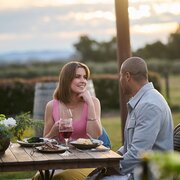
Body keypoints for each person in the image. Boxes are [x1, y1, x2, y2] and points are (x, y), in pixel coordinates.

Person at [100, 56, 174, 180]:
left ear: (127, 76)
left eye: (120, 76)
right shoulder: (141, 101)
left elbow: (138, 154)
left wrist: (107, 169)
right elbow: (131, 146)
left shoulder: (148, 105)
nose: (120, 80)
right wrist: (111, 158)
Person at [32, 61, 102, 180]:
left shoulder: (94, 102)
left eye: (85, 77)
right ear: (66, 79)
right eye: (77, 77)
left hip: (88, 160)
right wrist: (54, 131)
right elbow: (45, 142)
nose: (83, 81)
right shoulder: (51, 106)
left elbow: (95, 135)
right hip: (60, 160)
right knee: (40, 177)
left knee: (62, 177)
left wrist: (89, 103)